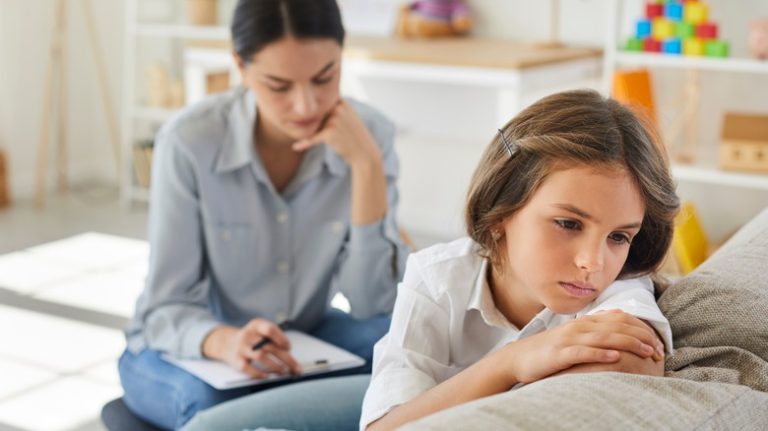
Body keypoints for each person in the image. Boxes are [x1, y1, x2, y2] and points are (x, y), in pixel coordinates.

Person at [118, 0, 409, 429]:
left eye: (325, 77)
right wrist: (225, 341)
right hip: (188, 348)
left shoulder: (370, 137)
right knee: (214, 408)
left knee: (406, 363)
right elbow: (167, 307)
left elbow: (374, 304)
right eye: (278, 85)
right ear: (240, 65)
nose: (306, 105)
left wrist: (365, 168)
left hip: (301, 338)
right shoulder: (189, 143)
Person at [360, 89, 681, 430]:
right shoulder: (437, 278)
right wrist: (510, 363)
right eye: (568, 224)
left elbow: (633, 370)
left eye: (619, 237)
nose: (593, 263)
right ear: (501, 212)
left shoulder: (621, 290)